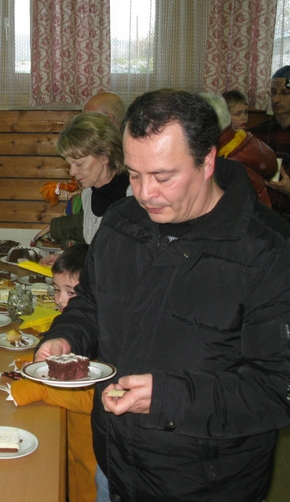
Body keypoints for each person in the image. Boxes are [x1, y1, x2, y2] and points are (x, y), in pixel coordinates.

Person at [36, 89, 290, 501]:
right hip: (115, 466)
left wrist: (170, 397)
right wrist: (66, 337)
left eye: (163, 176)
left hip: (208, 484)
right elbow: (92, 302)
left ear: (207, 160)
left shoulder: (271, 251)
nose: (144, 194)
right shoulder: (121, 223)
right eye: (135, 174)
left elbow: (278, 388)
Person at [11, 243, 97, 502]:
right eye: (57, 290)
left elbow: (93, 396)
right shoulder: (74, 325)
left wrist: (40, 388)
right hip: (69, 436)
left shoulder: (103, 336)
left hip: (93, 452)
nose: (60, 300)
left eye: (71, 292)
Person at [36, 113, 130, 264]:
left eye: (79, 164)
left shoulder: (133, 195)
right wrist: (69, 259)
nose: (72, 172)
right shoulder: (87, 195)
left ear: (104, 156)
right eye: (70, 165)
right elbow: (95, 250)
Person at [200, 93, 277, 207]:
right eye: (238, 114)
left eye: (245, 112)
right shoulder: (242, 142)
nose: (243, 117)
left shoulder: (230, 155)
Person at [250, 66, 290, 219]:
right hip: (260, 217)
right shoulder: (256, 134)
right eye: (273, 92)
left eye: (284, 93)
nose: (276, 99)